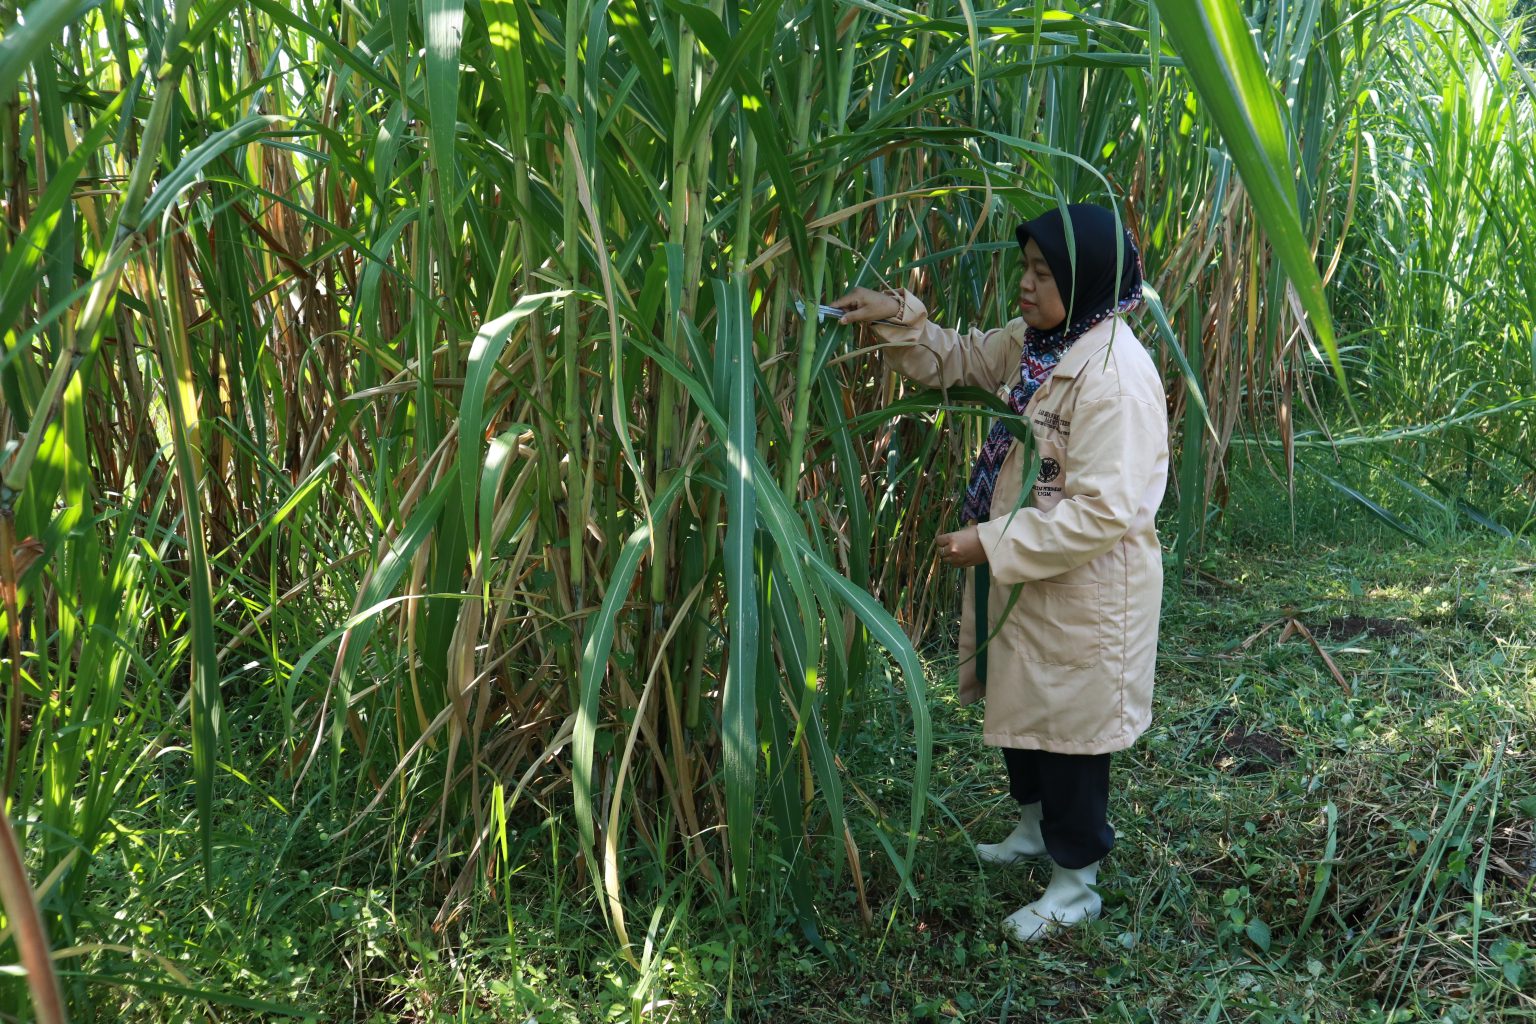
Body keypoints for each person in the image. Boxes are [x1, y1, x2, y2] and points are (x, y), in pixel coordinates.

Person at [833, 202, 1169, 944]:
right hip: (1032, 577)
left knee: (1072, 740)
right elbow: (959, 359)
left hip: (1087, 591)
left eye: (1043, 274)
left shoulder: (1114, 377)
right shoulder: (1041, 343)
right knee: (1025, 712)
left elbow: (1106, 510)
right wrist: (897, 315)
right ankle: (1030, 833)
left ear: (1085, 281)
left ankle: (1076, 884)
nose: (1024, 285)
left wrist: (992, 542)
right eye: (1024, 268)